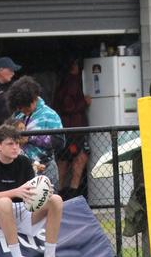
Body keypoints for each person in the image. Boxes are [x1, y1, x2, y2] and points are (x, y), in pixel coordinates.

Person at [0, 123, 63, 257]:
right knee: (5, 202)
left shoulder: (24, 161)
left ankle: (50, 254)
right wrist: (16, 191)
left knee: (56, 200)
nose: (15, 147)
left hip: (23, 209)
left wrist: (44, 192)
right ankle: (16, 255)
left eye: (17, 144)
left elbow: (32, 195)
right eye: (10, 144)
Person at [7, 76, 64, 190]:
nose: (22, 109)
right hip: (20, 170)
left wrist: (30, 138)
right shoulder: (19, 115)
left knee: (48, 204)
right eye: (19, 106)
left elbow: (60, 142)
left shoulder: (50, 115)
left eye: (24, 106)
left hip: (45, 169)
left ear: (33, 99)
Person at [54, 58, 92, 200]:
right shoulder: (71, 82)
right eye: (77, 64)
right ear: (72, 67)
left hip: (70, 130)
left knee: (68, 160)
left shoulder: (65, 82)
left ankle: (62, 192)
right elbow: (67, 106)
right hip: (72, 131)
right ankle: (69, 192)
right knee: (76, 158)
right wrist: (84, 102)